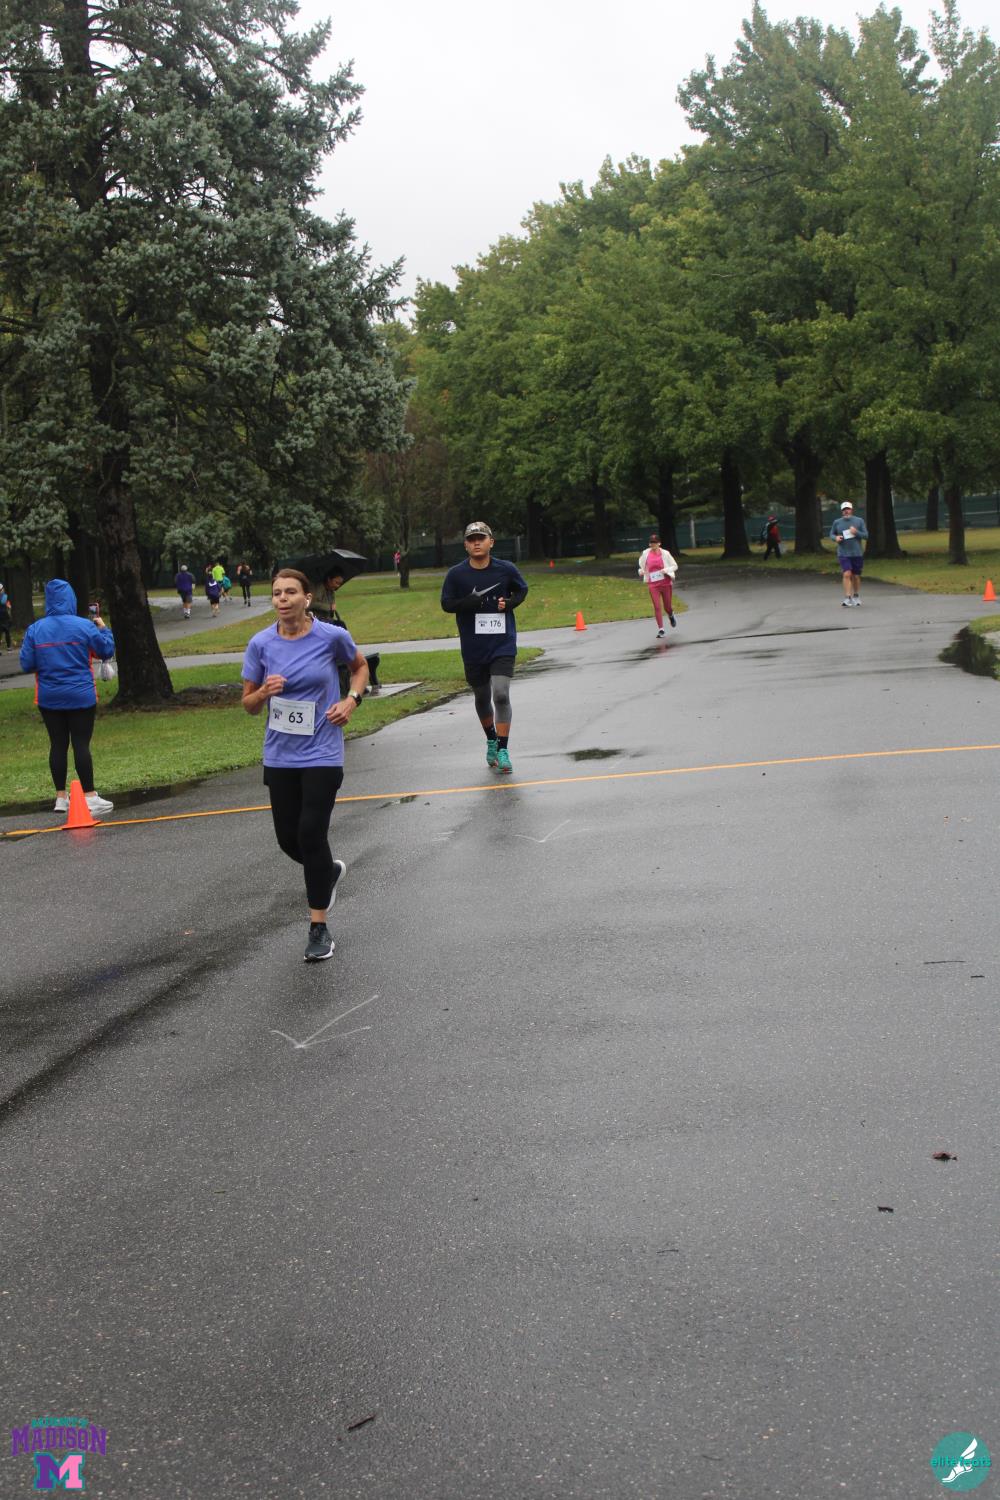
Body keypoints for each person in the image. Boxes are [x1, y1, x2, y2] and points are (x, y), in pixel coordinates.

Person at [241, 568, 368, 962]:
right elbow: (248, 705)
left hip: (322, 751)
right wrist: (264, 691)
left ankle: (318, 927)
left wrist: (351, 701)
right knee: (288, 839)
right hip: (280, 755)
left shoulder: (331, 636)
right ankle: (326, 871)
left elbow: (360, 667)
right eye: (277, 593)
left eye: (290, 592)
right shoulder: (261, 644)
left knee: (311, 832)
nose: (282, 599)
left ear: (307, 598)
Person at [18, 579, 116, 815]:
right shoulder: (84, 626)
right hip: (81, 694)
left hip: (49, 696)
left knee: (57, 745)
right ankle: (89, 796)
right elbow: (105, 650)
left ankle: (61, 798)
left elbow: (27, 663)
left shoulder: (35, 629)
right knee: (81, 743)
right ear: (71, 599)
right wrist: (104, 629)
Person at [440, 521, 529, 775]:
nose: (476, 542)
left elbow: (522, 590)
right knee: (481, 696)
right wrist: (466, 603)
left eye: (481, 538)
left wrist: (509, 603)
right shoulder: (456, 574)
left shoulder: (506, 569)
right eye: (471, 539)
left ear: (491, 542)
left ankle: (503, 749)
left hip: (502, 643)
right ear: (466, 545)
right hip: (473, 646)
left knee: (500, 694)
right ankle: (491, 739)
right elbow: (446, 604)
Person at [313, 568, 381, 693]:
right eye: (336, 582)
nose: (338, 586)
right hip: (318, 624)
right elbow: (311, 604)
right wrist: (328, 607)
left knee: (341, 626)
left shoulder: (331, 591)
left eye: (340, 583)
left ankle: (350, 657)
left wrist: (331, 609)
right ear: (329, 580)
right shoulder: (318, 588)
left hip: (328, 622)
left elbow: (331, 610)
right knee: (340, 628)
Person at [636, 532, 678, 637]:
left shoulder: (665, 553)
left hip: (665, 582)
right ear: (649, 544)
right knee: (657, 606)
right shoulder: (645, 553)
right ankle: (661, 629)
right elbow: (641, 566)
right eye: (651, 542)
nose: (653, 544)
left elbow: (675, 566)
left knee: (667, 607)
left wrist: (666, 570)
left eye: (655, 542)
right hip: (653, 584)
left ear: (659, 543)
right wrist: (641, 571)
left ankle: (671, 615)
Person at [830, 501, 869, 606]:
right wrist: (835, 538)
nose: (846, 511)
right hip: (843, 553)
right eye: (844, 509)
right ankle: (847, 598)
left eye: (848, 509)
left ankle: (856, 596)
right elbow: (831, 534)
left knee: (856, 576)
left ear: (851, 510)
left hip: (857, 553)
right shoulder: (837, 522)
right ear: (841, 511)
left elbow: (866, 535)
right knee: (847, 574)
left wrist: (856, 532)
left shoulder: (859, 521)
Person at [0, 581, 11, 651]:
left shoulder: (5, 597)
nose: (3, 590)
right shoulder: (5, 597)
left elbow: (8, 606)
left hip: (5, 617)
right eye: (2, 589)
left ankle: (8, 646)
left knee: (7, 632)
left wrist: (9, 607)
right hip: (1, 617)